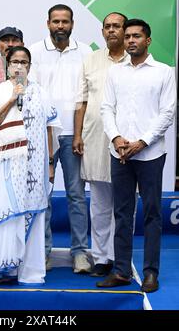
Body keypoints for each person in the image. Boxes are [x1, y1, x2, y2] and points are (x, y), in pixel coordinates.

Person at [98, 19, 176, 293]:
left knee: (152, 214)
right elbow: (106, 108)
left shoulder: (163, 72)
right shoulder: (115, 73)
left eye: (136, 36)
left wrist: (142, 142)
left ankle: (150, 273)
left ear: (148, 41)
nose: (131, 40)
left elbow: (168, 112)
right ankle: (120, 271)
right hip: (118, 152)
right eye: (128, 36)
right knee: (121, 213)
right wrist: (117, 138)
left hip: (151, 154)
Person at [0, 46, 61, 284]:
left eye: (24, 62)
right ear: (6, 65)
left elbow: (49, 130)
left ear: (30, 67)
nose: (19, 66)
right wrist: (11, 99)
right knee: (6, 212)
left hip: (35, 166)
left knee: (33, 212)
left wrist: (50, 163)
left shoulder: (41, 93)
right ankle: (2, 268)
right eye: (15, 61)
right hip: (6, 164)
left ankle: (31, 271)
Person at [29, 4, 92, 273]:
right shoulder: (34, 51)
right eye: (55, 21)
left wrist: (78, 133)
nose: (60, 26)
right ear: (47, 23)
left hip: (75, 135)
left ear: (72, 24)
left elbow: (85, 96)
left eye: (65, 21)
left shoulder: (85, 51)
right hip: (44, 135)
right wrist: (45, 137)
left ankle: (80, 253)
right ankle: (42, 252)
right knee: (42, 196)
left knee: (76, 195)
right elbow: (33, 97)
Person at [73, 12, 129, 277]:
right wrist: (77, 135)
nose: (111, 31)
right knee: (99, 203)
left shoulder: (136, 60)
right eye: (107, 27)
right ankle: (102, 258)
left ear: (126, 30)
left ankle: (120, 257)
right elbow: (81, 102)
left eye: (117, 26)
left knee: (123, 204)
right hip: (95, 138)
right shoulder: (90, 60)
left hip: (127, 143)